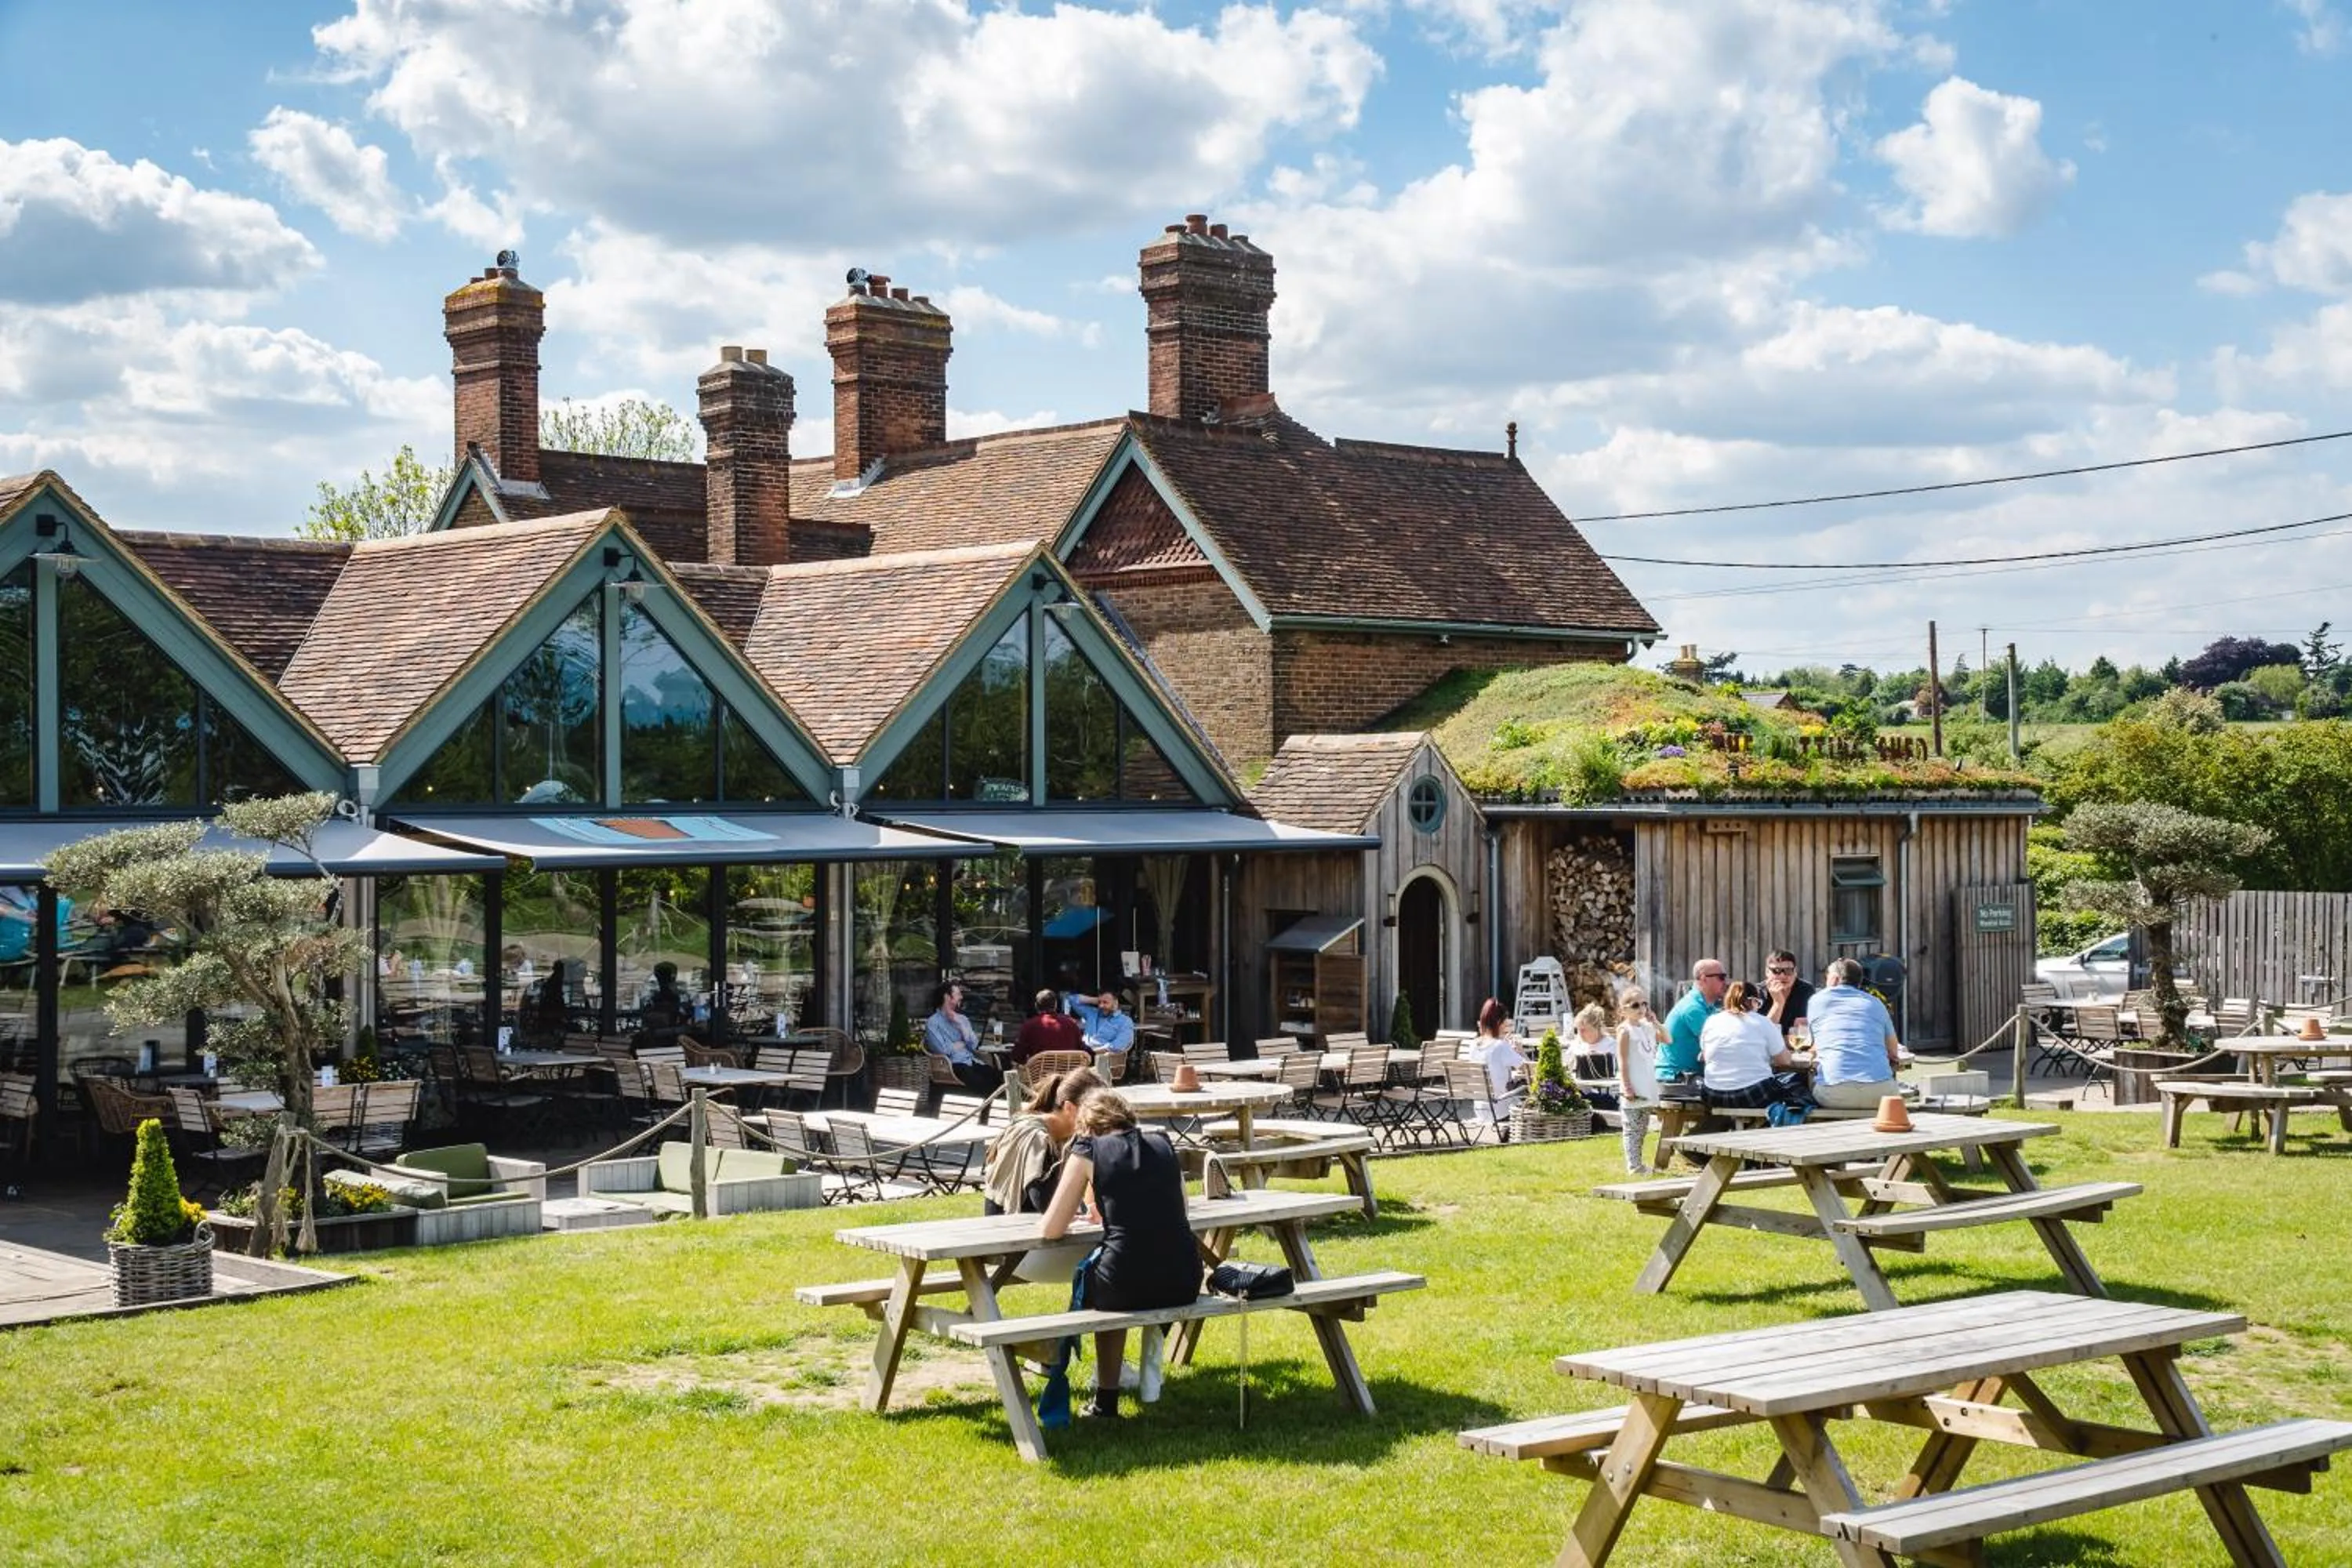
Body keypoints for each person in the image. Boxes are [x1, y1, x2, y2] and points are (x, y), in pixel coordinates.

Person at [1040, 1092, 1200, 1420]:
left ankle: (1106, 1399)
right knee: (1116, 1270)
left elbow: (1051, 1229)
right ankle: (1110, 1396)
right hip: (1183, 1278)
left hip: (1125, 1284)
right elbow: (1181, 1210)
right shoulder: (1163, 1144)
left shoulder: (1088, 1150)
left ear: (1087, 1127)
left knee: (1108, 1279)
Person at [982, 1066, 1107, 1217]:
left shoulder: (1067, 1135)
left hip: (1031, 1224)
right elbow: (1044, 1201)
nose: (1101, 1119)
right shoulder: (1034, 1137)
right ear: (1069, 1108)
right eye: (1096, 1112)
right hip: (1010, 1229)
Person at [1699, 979, 1811, 1118]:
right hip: (1752, 1093)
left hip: (1712, 1094)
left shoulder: (1711, 1021)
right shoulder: (1762, 1022)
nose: (1758, 1007)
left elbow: (1705, 1056)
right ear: (1753, 1001)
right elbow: (1784, 1061)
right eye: (1759, 1003)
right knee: (1797, 1081)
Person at [1806, 956, 1906, 1109]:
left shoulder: (1816, 1001)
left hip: (1834, 1093)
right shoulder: (1876, 1003)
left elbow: (1815, 1045)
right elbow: (1893, 1050)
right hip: (1881, 1093)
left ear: (1834, 979)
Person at [1615, 985, 1663, 1175]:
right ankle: (1634, 1166)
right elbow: (1623, 1061)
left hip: (1646, 1082)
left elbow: (1667, 1039)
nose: (1641, 1009)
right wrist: (1627, 1086)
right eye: (1635, 1005)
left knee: (1642, 1127)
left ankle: (1639, 1163)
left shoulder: (1647, 1028)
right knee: (1632, 1127)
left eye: (1644, 1004)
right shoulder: (1625, 1031)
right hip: (1633, 1083)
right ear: (1623, 1010)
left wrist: (1656, 1022)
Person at [923, 981, 1001, 1094]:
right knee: (982, 1083)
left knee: (998, 1076)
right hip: (952, 1066)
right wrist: (960, 1045)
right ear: (947, 997)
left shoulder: (962, 1019)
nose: (962, 997)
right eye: (958, 994)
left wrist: (960, 1026)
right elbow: (942, 1050)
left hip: (970, 1060)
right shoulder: (933, 1023)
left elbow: (974, 1044)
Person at [1660, 958, 1727, 1082]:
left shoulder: (1709, 1007)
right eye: (1721, 977)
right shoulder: (1692, 1009)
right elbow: (1720, 1045)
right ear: (1703, 978)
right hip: (1677, 1080)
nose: (1725, 982)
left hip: (1689, 1078)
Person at [1472, 998, 1528, 1123]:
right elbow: (1528, 1070)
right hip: (1500, 1109)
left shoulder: (1474, 1045)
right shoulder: (1501, 1047)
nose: (1505, 1027)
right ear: (1498, 1023)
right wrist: (1520, 1051)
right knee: (1526, 1095)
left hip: (1480, 1108)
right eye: (1505, 1024)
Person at [1011, 989, 1087, 1065]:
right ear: (1056, 1005)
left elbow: (1017, 1056)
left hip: (1039, 1075)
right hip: (1069, 1075)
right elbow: (1083, 1051)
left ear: (1036, 1006)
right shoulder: (1071, 1024)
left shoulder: (1029, 1026)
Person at [1762, 949, 1817, 1042]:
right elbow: (1763, 1034)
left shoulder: (1806, 990)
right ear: (1767, 972)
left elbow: (1811, 1029)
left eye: (1788, 971)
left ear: (1795, 972)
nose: (1783, 976)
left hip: (1799, 1048)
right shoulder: (1758, 992)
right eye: (1776, 971)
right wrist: (1778, 1003)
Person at [1081, 990, 1134, 1056]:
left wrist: (1091, 1052)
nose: (1101, 1006)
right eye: (1099, 1002)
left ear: (1115, 1003)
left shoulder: (1125, 1021)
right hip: (1082, 1056)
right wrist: (1093, 1000)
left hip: (1103, 1059)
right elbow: (1072, 999)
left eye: (1105, 1002)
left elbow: (1118, 1046)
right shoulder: (1093, 1014)